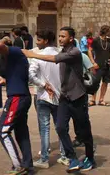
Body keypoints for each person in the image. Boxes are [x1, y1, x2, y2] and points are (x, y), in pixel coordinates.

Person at [23, 27, 96, 171]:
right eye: (59, 36)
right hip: (64, 97)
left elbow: (54, 59)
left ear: (71, 38)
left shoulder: (74, 52)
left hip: (78, 97)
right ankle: (72, 157)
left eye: (63, 36)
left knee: (84, 130)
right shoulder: (61, 51)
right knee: (61, 127)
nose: (60, 38)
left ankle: (90, 158)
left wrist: (32, 54)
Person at [0, 36, 33, 175]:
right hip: (21, 96)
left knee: (3, 131)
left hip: (17, 98)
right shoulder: (14, 58)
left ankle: (18, 165)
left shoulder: (15, 51)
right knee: (21, 133)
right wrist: (5, 80)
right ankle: (27, 165)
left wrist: (3, 39)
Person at [28, 30, 69, 169]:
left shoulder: (38, 56)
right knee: (61, 128)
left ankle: (44, 159)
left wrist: (43, 85)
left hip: (43, 96)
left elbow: (31, 75)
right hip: (59, 96)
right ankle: (64, 156)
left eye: (39, 40)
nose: (37, 42)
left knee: (44, 129)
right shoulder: (61, 55)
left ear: (45, 41)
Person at [88, 25, 110, 107]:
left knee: (105, 82)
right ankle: (93, 99)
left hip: (107, 65)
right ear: (105, 31)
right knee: (95, 83)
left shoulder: (109, 41)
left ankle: (101, 99)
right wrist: (93, 62)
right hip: (97, 64)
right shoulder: (96, 40)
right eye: (109, 31)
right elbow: (89, 51)